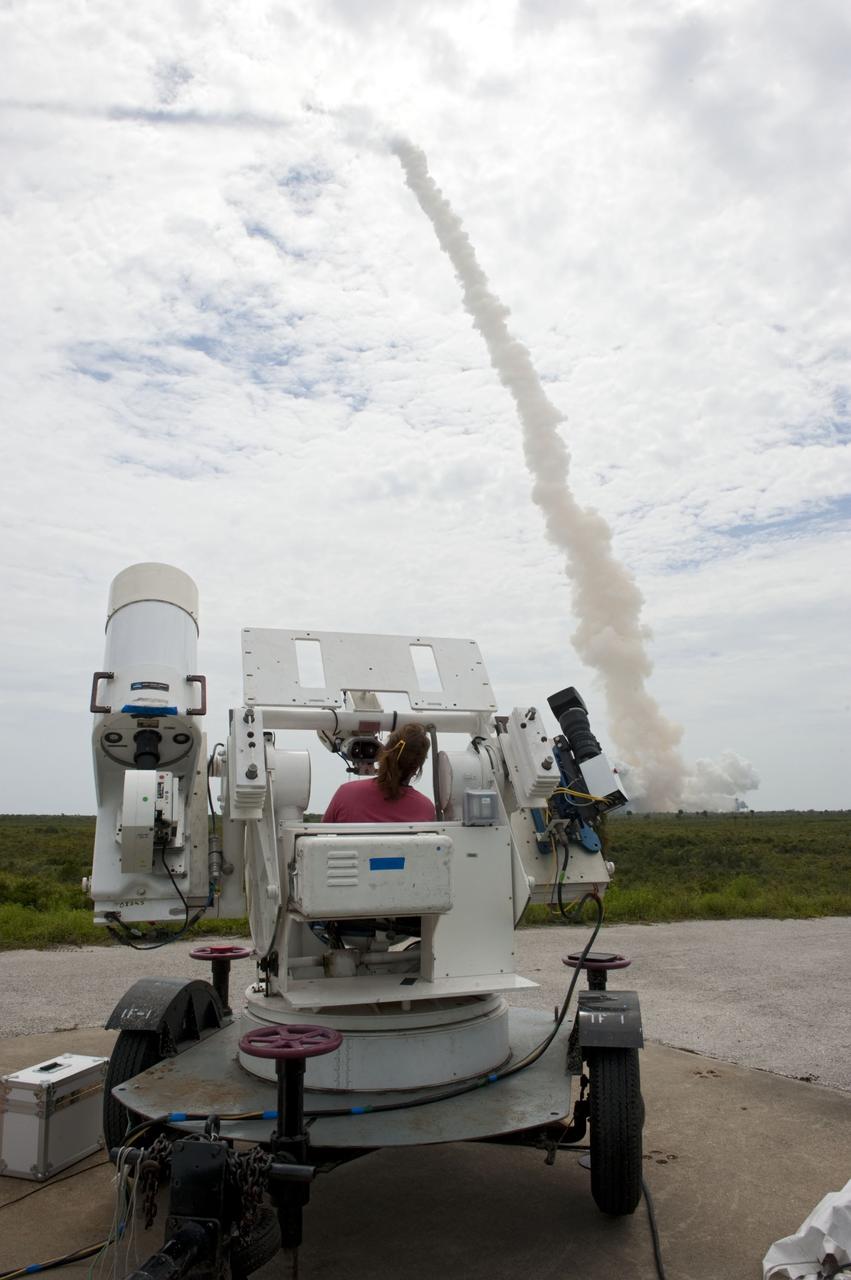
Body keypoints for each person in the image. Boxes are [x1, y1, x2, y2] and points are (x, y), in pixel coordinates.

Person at [323, 723, 436, 822]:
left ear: (384, 753)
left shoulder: (346, 794)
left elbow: (321, 839)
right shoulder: (425, 809)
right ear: (417, 767)